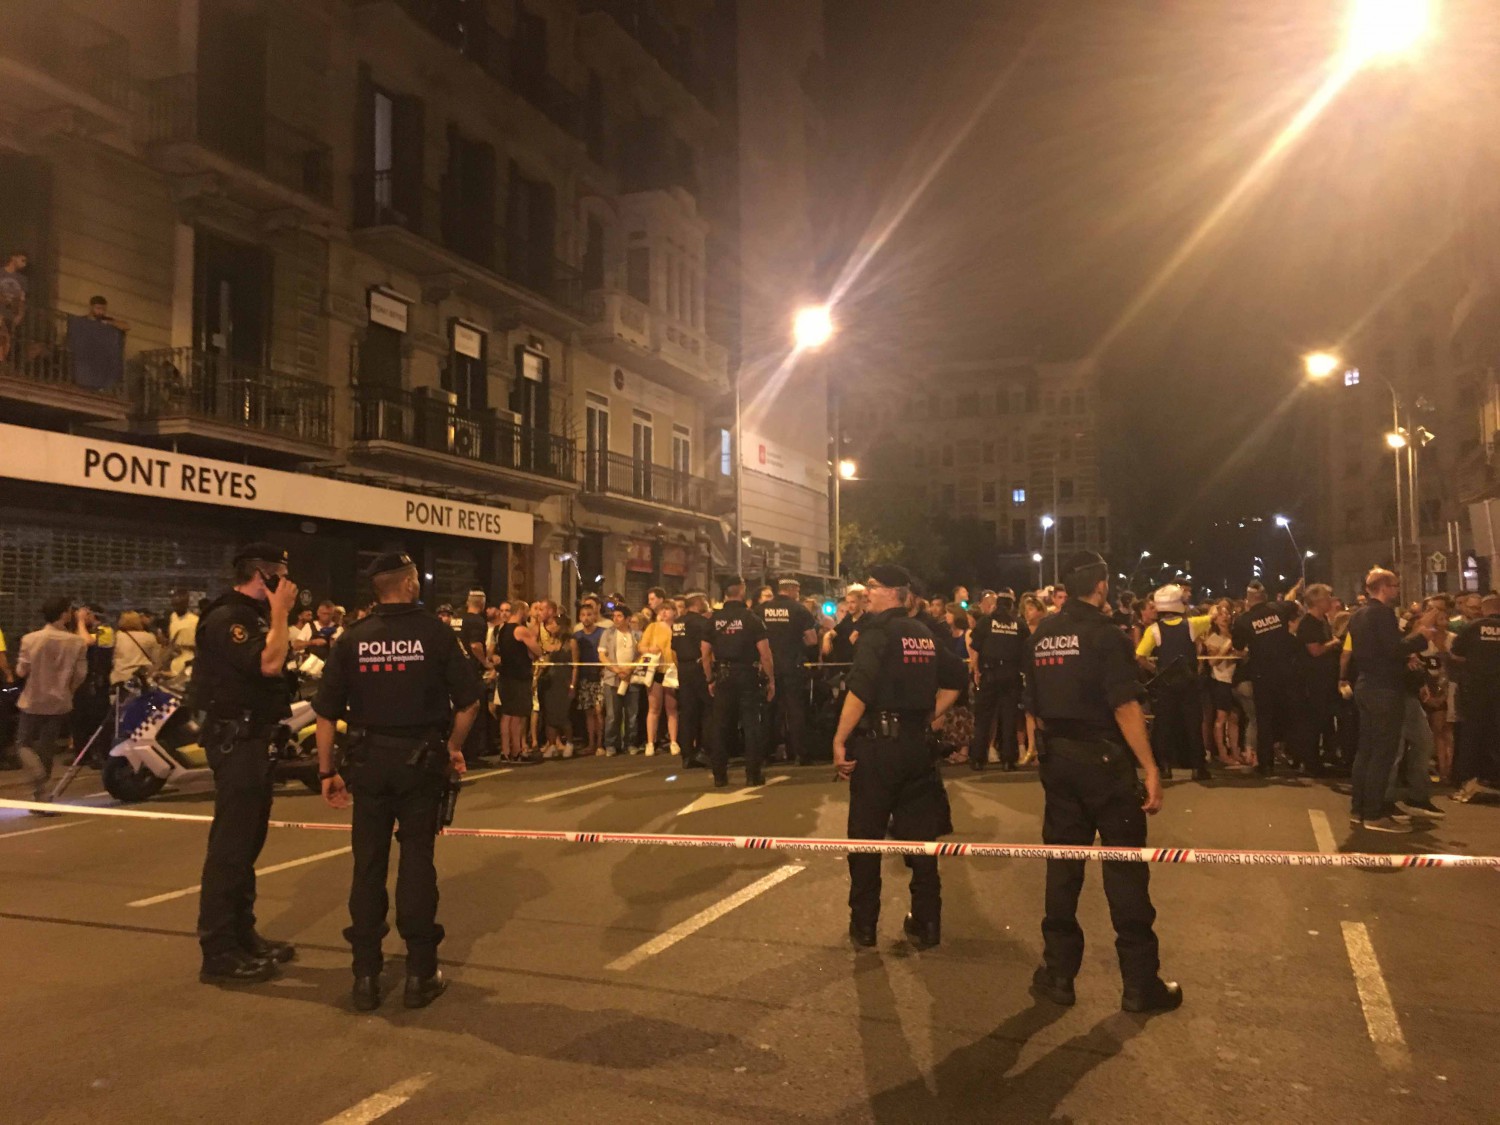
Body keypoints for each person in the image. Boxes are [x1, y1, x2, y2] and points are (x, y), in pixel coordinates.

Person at [314, 552, 482, 1011]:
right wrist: (452, 748)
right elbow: (469, 702)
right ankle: (420, 973)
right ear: (409, 584)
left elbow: (325, 712)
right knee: (416, 861)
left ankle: (365, 975)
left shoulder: (353, 637)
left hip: (367, 762)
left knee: (368, 864)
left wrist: (327, 771)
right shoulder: (436, 633)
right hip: (419, 763)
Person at [1023, 552, 1179, 1014]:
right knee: (1124, 867)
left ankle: (1058, 974)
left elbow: (1033, 706)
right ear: (1102, 586)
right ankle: (1139, 984)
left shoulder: (1042, 635)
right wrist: (1150, 767)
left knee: (1063, 867)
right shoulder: (1106, 636)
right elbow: (1125, 706)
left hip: (1059, 760)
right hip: (1105, 760)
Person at [831, 564, 962, 949]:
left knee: (865, 838)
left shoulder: (878, 633)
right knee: (921, 841)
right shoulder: (924, 632)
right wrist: (928, 716)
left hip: (879, 747)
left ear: (893, 592)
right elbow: (956, 679)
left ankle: (864, 924)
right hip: (917, 746)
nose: (866, 593)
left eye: (872, 587)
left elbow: (860, 690)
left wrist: (840, 739)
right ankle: (927, 921)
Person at [190, 542, 300, 984]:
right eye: (281, 574)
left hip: (255, 739)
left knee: (248, 843)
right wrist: (281, 612)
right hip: (235, 739)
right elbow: (268, 664)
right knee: (231, 847)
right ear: (262, 575)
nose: (288, 583)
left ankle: (242, 934)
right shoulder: (228, 617)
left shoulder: (251, 616)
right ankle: (219, 950)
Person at [1343, 568, 1439, 832]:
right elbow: (1393, 649)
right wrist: (1421, 637)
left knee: (1366, 750)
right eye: (1395, 585)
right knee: (1383, 752)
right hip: (1384, 688)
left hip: (1366, 684)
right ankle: (1374, 814)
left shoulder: (1358, 615)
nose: (1397, 590)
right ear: (1384, 587)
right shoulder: (1382, 613)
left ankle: (1360, 808)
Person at [14, 598, 90, 807]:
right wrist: (68, 690)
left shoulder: (30, 639)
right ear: (64, 614)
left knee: (23, 743)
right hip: (60, 701)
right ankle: (42, 795)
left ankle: (37, 778)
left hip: (32, 699)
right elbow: (80, 674)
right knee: (47, 747)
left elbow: (21, 670)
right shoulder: (76, 642)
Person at [1136, 585, 1215, 780]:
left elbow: (1140, 656)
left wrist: (1157, 671)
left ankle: (1164, 767)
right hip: (1189, 683)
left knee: (1164, 725)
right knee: (1193, 725)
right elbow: (1212, 616)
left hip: (1166, 685)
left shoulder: (1154, 630)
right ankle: (1198, 767)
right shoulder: (1191, 625)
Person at [708, 575, 775, 788]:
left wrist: (710, 678)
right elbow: (765, 654)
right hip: (747, 674)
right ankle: (753, 774)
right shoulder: (751, 618)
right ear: (741, 589)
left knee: (720, 726)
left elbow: (705, 651)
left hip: (723, 675)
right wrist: (770, 680)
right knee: (751, 725)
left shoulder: (714, 619)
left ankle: (719, 775)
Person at [1231, 578, 1303, 776]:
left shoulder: (1244, 620)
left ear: (1248, 599)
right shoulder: (1279, 609)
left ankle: (1266, 763)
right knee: (1291, 714)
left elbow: (1238, 646)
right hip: (1286, 670)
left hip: (1262, 673)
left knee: (1265, 718)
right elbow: (1294, 606)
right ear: (1265, 596)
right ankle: (1297, 757)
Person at [757, 577, 819, 766]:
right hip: (792, 665)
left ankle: (765, 753)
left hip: (767, 666)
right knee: (795, 710)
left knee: (769, 711)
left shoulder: (762, 609)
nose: (798, 594)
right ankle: (800, 753)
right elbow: (812, 639)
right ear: (791, 589)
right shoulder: (799, 609)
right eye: (797, 590)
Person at [969, 588, 1029, 772]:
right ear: (1011, 606)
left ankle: (978, 759)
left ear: (996, 605)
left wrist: (976, 671)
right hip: (1011, 674)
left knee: (983, 718)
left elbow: (975, 648)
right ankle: (1008, 760)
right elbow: (1026, 650)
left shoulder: (986, 622)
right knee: (1009, 717)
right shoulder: (1019, 624)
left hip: (990, 673)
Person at [1450, 593, 1500, 803]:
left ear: (1484, 608)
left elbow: (1455, 653)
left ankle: (1467, 780)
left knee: (1471, 735)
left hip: (1474, 690)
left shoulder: (1473, 627)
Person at [1291, 585, 1343, 776]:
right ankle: (1311, 762)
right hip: (1312, 681)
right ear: (1317, 601)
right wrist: (1334, 643)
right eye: (1328, 597)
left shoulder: (1324, 620)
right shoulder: (1308, 624)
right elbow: (1315, 650)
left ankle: (1328, 755)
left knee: (1325, 719)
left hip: (1326, 679)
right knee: (1313, 721)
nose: (1331, 600)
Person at [670, 593, 715, 768]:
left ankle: (687, 754)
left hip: (683, 668)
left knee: (687, 712)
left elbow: (673, 651)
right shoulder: (702, 623)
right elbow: (706, 649)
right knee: (707, 710)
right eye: (705, 603)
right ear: (698, 604)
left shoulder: (677, 623)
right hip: (699, 668)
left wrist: (681, 666)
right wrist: (709, 674)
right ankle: (705, 750)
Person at [495, 601, 542, 763]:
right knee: (518, 716)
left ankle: (505, 750)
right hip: (519, 677)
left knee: (506, 715)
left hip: (505, 676)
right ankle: (516, 751)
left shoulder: (502, 630)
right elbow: (537, 650)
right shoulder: (520, 630)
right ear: (521, 611)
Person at [1200, 601, 1242, 766]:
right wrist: (1227, 648)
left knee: (1234, 717)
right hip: (1220, 680)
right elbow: (1213, 662)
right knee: (1221, 718)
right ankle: (1222, 753)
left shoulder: (1235, 637)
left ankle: (1236, 752)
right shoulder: (1213, 638)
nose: (1225, 617)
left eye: (1227, 613)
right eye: (1221, 614)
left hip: (1234, 680)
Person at [599, 604, 640, 756]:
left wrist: (630, 669)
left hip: (632, 678)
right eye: (614, 616)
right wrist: (616, 670)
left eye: (619, 616)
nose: (615, 619)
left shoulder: (637, 635)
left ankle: (631, 743)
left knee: (632, 714)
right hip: (612, 679)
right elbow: (602, 655)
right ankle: (611, 744)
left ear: (628, 619)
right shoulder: (607, 634)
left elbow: (641, 655)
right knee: (612, 715)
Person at [639, 603, 678, 755]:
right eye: (662, 610)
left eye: (667, 609)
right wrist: (650, 649)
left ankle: (673, 741)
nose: (664, 612)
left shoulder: (677, 627)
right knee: (654, 708)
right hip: (656, 670)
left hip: (672, 670)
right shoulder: (653, 627)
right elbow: (641, 647)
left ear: (674, 612)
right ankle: (650, 742)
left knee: (671, 708)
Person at [574, 601, 606, 756]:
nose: (586, 618)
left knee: (599, 711)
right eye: (583, 615)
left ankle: (601, 743)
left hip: (600, 676)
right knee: (588, 712)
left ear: (595, 616)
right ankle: (591, 743)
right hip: (584, 677)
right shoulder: (577, 636)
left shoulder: (603, 633)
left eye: (589, 614)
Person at [110, 611, 163, 686]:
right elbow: (156, 659)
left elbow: (112, 656)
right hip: (143, 676)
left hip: (121, 676)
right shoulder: (150, 637)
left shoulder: (117, 636)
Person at [166, 591, 200, 681]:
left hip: (189, 663)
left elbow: (201, 645)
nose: (176, 607)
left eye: (179, 604)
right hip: (174, 662)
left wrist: (185, 646)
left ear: (186, 604)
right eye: (174, 604)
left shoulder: (195, 620)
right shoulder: (173, 617)